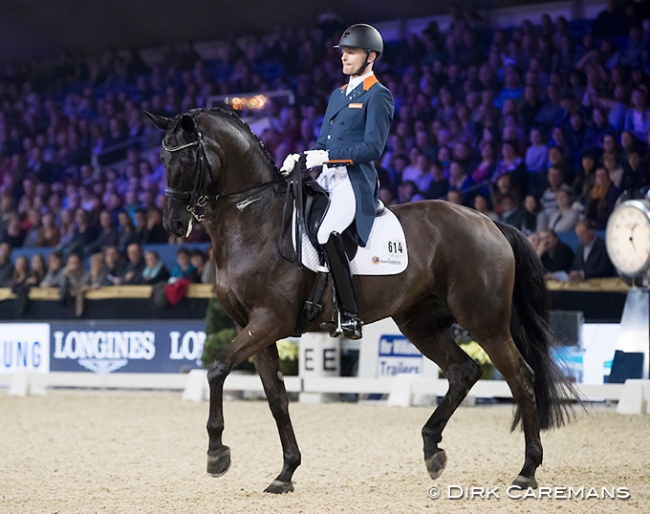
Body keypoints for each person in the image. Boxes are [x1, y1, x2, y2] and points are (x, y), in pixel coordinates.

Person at [280, 24, 394, 339]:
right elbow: (322, 142)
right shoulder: (338, 95)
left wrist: (327, 158)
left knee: (328, 230)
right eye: (343, 51)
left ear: (370, 56)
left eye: (352, 51)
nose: (344, 56)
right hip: (328, 177)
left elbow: (372, 148)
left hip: (354, 181)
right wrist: (301, 158)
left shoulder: (378, 95)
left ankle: (350, 313)